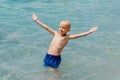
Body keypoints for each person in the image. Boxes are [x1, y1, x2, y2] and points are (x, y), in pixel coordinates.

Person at [32, 14, 98, 68]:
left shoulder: (67, 37)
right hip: (47, 56)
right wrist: (36, 20)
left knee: (53, 74)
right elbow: (46, 27)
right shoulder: (55, 33)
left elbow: (80, 35)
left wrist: (89, 32)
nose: (61, 29)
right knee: (46, 71)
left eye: (64, 28)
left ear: (68, 30)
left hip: (55, 58)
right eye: (60, 27)